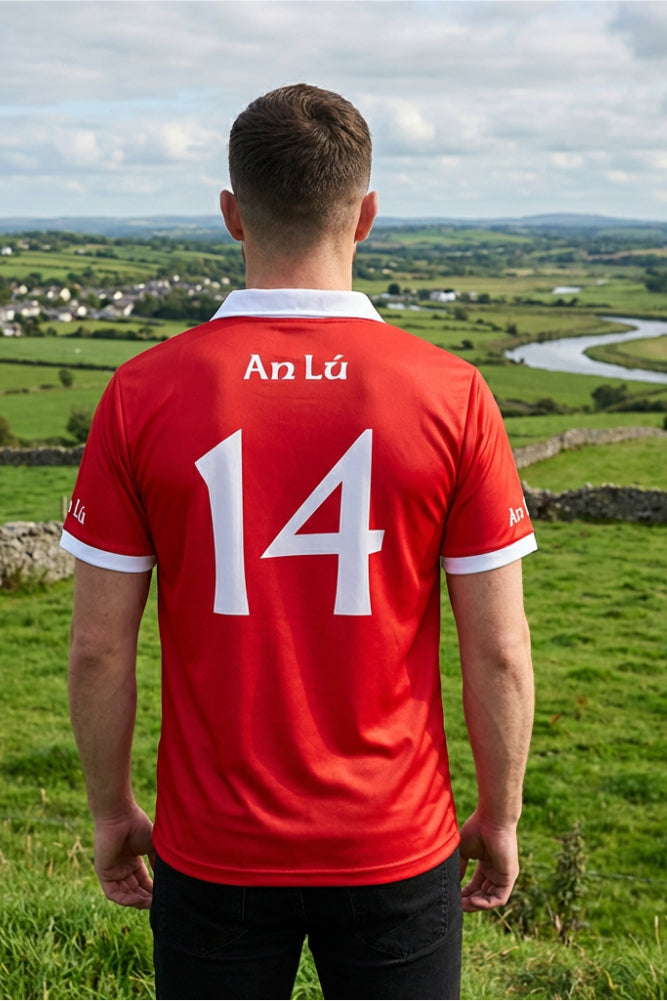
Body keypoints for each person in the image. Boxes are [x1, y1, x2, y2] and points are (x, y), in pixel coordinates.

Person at [63, 83, 535, 1000]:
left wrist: (113, 809)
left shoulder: (141, 392)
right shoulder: (452, 393)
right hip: (397, 840)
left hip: (214, 848)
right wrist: (501, 812)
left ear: (231, 214)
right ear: (365, 217)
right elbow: (501, 649)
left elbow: (96, 646)